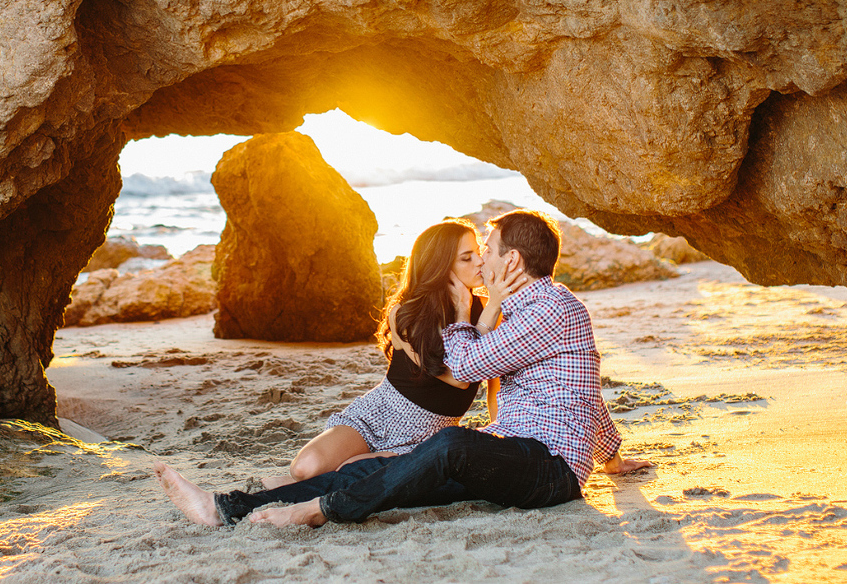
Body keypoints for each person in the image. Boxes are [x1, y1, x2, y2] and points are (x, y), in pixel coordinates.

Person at [154, 209, 653, 528]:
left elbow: (465, 363)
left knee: (451, 443)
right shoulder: (521, 310)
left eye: (489, 249)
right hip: (512, 457)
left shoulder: (548, 309)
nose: (482, 260)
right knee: (383, 469)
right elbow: (586, 390)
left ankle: (316, 511)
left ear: (512, 259)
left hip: (547, 468)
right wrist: (609, 454)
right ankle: (226, 509)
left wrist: (465, 315)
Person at [277, 220, 501, 486]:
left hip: (429, 433)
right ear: (441, 266)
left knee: (351, 471)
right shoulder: (406, 313)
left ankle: (286, 488)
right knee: (304, 468)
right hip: (380, 411)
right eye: (467, 257)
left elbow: (494, 387)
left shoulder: (489, 313)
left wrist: (501, 435)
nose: (480, 262)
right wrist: (464, 310)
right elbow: (458, 376)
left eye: (478, 252)